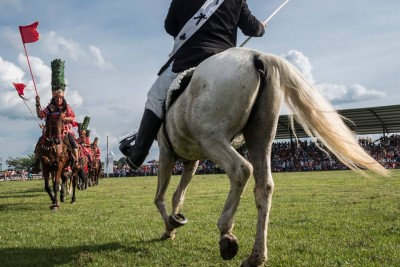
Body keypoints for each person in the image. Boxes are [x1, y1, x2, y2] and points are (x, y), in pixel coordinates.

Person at [120, 0, 266, 169]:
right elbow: (252, 28)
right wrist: (261, 27)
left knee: (155, 96)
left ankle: (137, 154)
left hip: (187, 60)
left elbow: (170, 27)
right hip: (222, 61)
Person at [31, 59, 79, 173]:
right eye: (57, 97)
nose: (59, 99)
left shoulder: (67, 108)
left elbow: (73, 118)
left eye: (61, 97)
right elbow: (40, 115)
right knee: (39, 143)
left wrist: (63, 119)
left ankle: (76, 162)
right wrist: (37, 104)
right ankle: (37, 163)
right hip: (51, 132)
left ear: (63, 97)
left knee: (73, 143)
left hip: (65, 132)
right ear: (54, 97)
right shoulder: (49, 108)